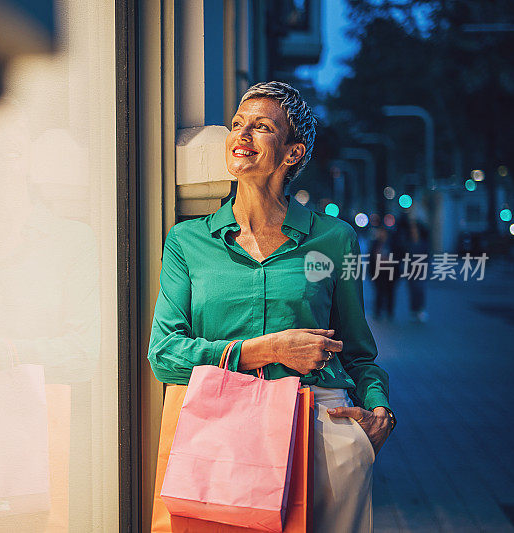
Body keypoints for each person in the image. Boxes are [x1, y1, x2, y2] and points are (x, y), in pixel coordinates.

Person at [147, 81, 395, 533]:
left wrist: (379, 411)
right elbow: (163, 353)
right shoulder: (187, 242)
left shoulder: (334, 239)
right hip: (217, 436)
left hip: (321, 428)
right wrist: (270, 348)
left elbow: (357, 351)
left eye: (261, 127)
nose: (242, 134)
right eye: (238, 124)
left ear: (292, 153)